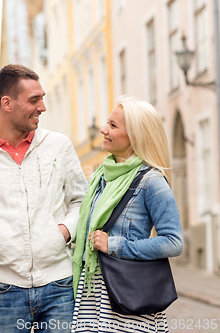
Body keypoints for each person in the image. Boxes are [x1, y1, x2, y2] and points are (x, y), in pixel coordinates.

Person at [0, 64, 88, 332]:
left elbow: (81, 200)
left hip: (60, 284)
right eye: (33, 100)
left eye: (42, 98)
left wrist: (63, 231)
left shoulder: (58, 145)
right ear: (7, 103)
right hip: (5, 289)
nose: (42, 107)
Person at [71, 96, 183, 333]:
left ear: (135, 135)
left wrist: (115, 245)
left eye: (113, 125)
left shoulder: (152, 181)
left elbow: (173, 242)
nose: (103, 129)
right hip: (92, 290)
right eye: (107, 123)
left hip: (126, 292)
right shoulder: (100, 177)